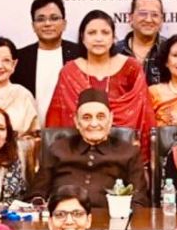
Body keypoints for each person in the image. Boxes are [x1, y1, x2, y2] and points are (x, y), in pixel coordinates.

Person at [44, 10, 152, 159]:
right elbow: (58, 120)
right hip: (78, 155)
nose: (99, 38)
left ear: (113, 38)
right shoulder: (69, 72)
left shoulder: (131, 68)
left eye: (105, 33)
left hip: (123, 153)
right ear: (82, 38)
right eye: (92, 33)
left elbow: (143, 115)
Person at [33, 89, 149, 209]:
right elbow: (36, 195)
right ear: (77, 121)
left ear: (110, 119)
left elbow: (139, 200)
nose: (94, 124)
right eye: (86, 118)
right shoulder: (58, 149)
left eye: (100, 117)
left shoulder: (129, 152)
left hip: (111, 220)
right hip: (64, 218)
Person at [11, 0, 85, 123]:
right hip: (30, 130)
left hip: (72, 129)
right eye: (41, 19)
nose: (47, 24)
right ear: (33, 26)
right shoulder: (20, 58)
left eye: (54, 18)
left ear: (64, 24)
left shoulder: (80, 54)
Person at [115, 0, 167, 86]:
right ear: (131, 18)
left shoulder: (170, 50)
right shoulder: (115, 51)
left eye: (155, 15)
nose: (148, 20)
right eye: (143, 14)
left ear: (161, 20)